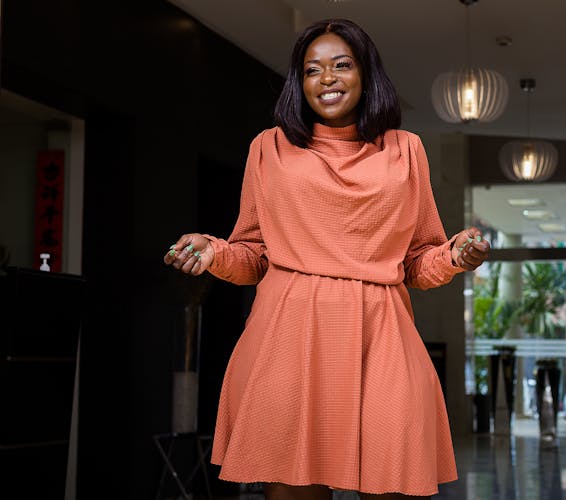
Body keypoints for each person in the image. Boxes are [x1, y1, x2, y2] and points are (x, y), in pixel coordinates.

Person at [164, 18, 490, 500]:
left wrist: (457, 256)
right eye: (312, 70)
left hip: (382, 337)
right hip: (288, 338)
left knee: (394, 483)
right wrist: (214, 251)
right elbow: (253, 256)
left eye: (341, 65)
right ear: (299, 82)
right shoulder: (268, 148)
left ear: (366, 74)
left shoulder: (406, 150)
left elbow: (419, 263)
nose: (327, 78)